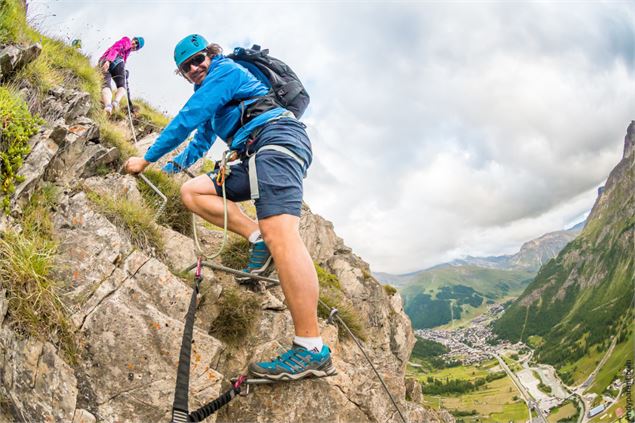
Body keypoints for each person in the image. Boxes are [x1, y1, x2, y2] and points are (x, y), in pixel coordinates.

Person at [123, 34, 335, 381]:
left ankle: (311, 348)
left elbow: (186, 120)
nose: (195, 68)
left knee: (281, 233)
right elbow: (201, 139)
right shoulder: (210, 95)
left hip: (277, 140)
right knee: (193, 193)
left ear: (211, 54)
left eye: (199, 59)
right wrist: (169, 170)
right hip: (254, 154)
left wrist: (145, 159)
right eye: (186, 67)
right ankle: (255, 238)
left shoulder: (225, 71)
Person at [98, 36, 144, 115]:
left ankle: (109, 106)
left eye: (137, 47)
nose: (135, 45)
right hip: (112, 60)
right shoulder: (126, 40)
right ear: (133, 39)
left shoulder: (127, 53)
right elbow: (116, 48)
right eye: (136, 42)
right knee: (120, 85)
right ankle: (114, 103)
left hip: (113, 62)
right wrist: (108, 61)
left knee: (108, 83)